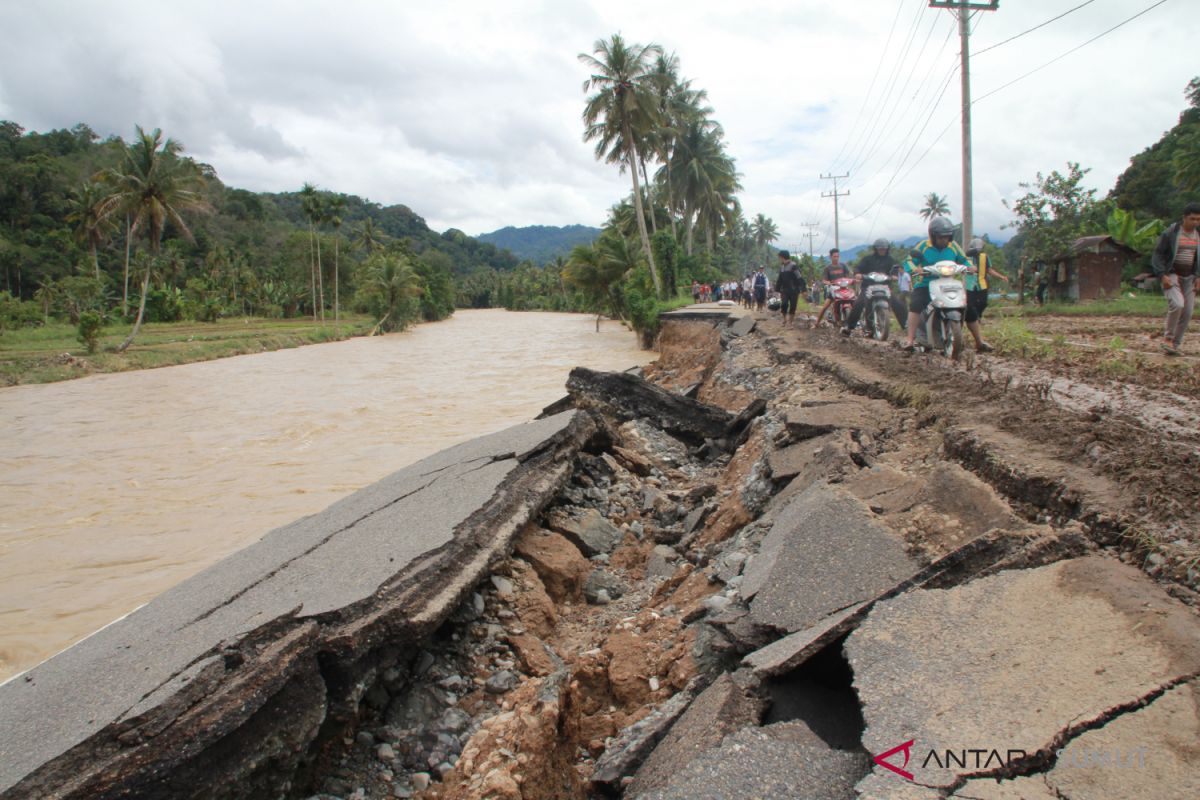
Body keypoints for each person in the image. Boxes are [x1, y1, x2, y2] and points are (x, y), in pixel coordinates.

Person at [901, 216, 971, 351]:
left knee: (968, 306)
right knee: (915, 304)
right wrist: (915, 269)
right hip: (926, 284)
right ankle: (910, 340)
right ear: (933, 236)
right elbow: (908, 260)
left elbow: (965, 259)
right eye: (940, 237)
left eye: (947, 237)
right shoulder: (923, 246)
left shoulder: (954, 246)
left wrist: (970, 267)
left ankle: (969, 338)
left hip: (949, 283)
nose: (944, 240)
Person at [1151, 202, 1200, 355]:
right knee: (1177, 304)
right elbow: (1158, 254)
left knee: (1188, 312)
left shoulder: (1198, 235)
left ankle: (1174, 345)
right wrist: (1161, 275)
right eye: (1192, 219)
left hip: (1190, 277)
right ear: (1184, 218)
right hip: (1171, 274)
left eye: (1198, 219)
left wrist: (1199, 276)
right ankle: (1168, 339)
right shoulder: (1171, 233)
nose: (1195, 223)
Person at [841, 238, 908, 336]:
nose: (882, 251)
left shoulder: (891, 260)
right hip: (868, 286)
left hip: (884, 287)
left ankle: (906, 324)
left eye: (884, 249)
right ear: (876, 249)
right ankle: (848, 326)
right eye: (880, 249)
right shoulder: (867, 259)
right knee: (858, 304)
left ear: (887, 249)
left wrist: (894, 275)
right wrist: (858, 274)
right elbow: (858, 268)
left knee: (898, 303)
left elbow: (895, 268)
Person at [964, 238, 1009, 352]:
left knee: (983, 303)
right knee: (970, 306)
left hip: (982, 284)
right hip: (970, 286)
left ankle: (978, 318)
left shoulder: (985, 257)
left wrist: (1001, 276)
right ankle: (975, 321)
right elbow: (961, 269)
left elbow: (989, 270)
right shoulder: (966, 257)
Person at [814, 248, 852, 327]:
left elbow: (849, 275)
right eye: (834, 256)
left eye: (837, 256)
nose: (836, 258)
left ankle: (858, 321)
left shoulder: (843, 266)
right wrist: (828, 282)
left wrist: (852, 279)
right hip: (834, 290)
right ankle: (816, 323)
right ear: (830, 257)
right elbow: (824, 280)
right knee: (824, 307)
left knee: (854, 300)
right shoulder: (828, 268)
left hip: (844, 289)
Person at [776, 250, 804, 328]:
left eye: (779, 257)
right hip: (784, 290)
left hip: (794, 290)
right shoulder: (782, 267)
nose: (779, 259)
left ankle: (790, 322)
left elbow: (799, 277)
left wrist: (803, 289)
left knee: (793, 306)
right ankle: (785, 319)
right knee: (784, 304)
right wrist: (777, 290)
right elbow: (779, 280)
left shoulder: (793, 266)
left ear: (782, 257)